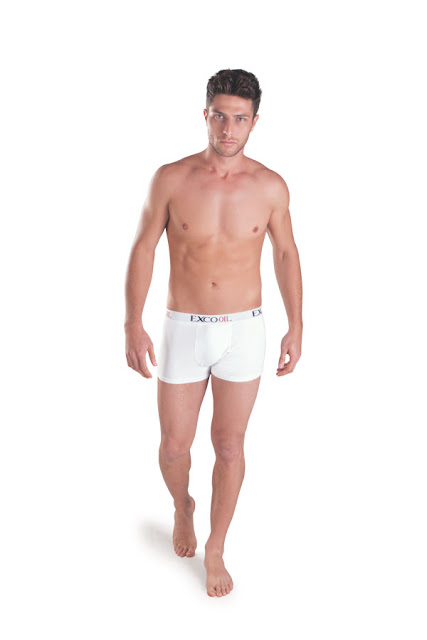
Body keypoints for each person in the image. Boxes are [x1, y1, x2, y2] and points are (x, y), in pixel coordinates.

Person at [124, 68, 303, 597]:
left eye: (240, 119)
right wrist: (133, 322)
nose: (228, 129)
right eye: (220, 117)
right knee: (173, 447)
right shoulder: (171, 179)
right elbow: (143, 247)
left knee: (229, 446)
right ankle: (183, 505)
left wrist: (296, 324)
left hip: (243, 330)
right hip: (183, 327)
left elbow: (287, 253)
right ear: (205, 115)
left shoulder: (270, 186)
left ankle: (217, 546)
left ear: (254, 122)